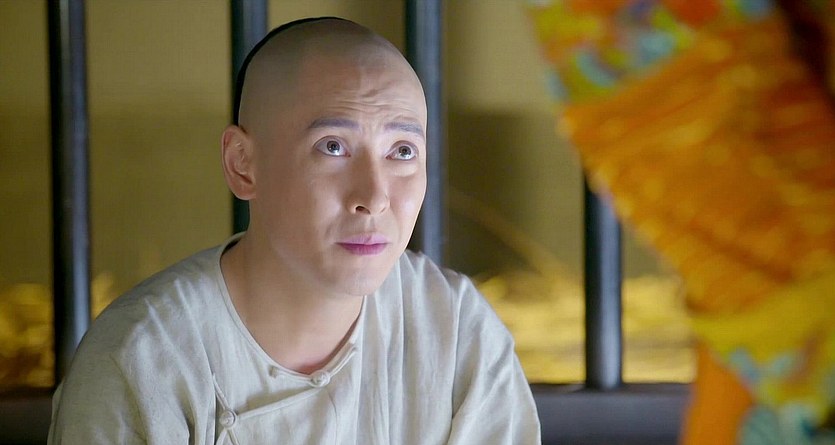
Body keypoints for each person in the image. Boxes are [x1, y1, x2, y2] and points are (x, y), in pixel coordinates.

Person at [48, 17, 541, 444]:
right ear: (243, 164)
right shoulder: (143, 360)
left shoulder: (453, 329)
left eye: (402, 151)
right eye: (333, 146)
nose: (373, 196)